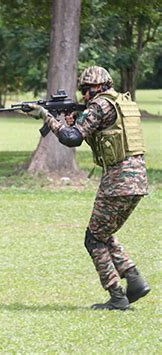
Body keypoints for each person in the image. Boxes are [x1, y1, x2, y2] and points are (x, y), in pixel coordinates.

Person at [26, 66, 150, 310]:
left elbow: (71, 138)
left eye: (87, 90)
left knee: (93, 239)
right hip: (137, 180)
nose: (84, 95)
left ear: (100, 87)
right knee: (103, 233)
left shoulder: (100, 105)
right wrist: (73, 120)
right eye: (82, 90)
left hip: (118, 182)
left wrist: (46, 116)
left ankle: (117, 296)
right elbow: (103, 135)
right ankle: (134, 281)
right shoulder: (121, 103)